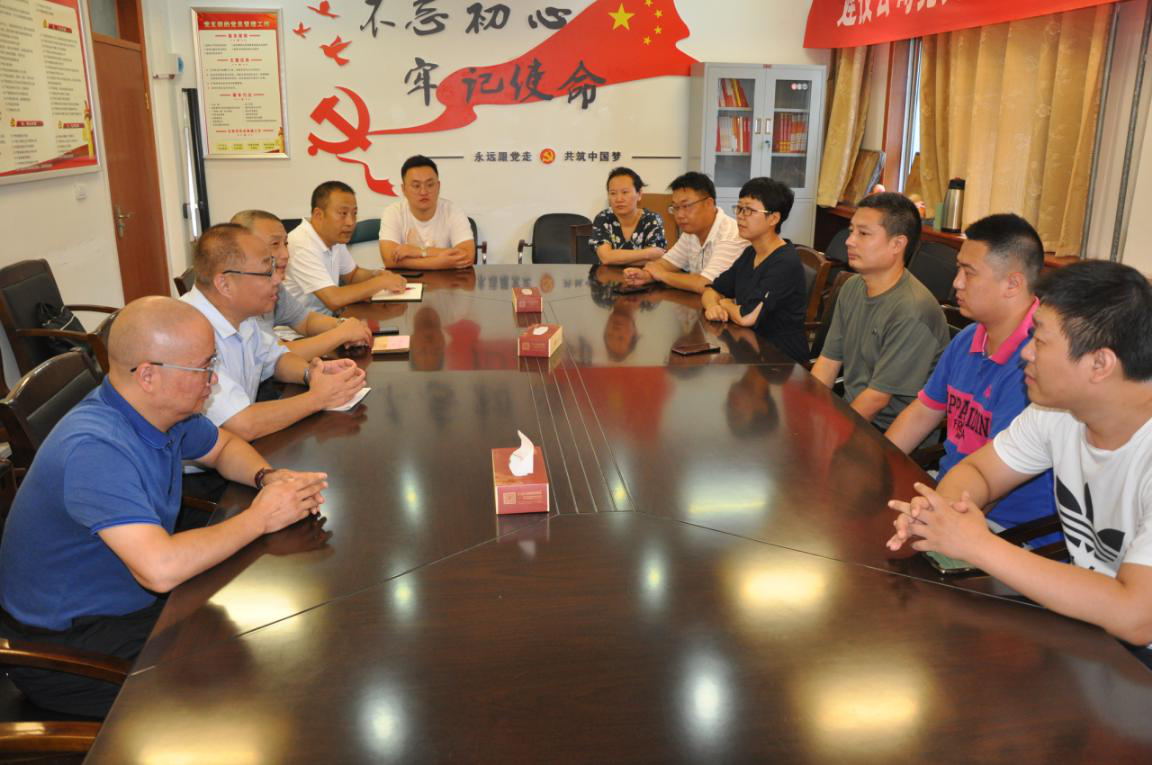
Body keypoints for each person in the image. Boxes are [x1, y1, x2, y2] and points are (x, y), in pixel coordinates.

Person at [0, 297, 329, 717]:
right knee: (267, 684)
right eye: (203, 368)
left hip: (129, 600)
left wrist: (267, 477)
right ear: (149, 375)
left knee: (274, 641)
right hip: (67, 647)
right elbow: (159, 569)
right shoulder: (95, 449)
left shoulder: (164, 412)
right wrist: (261, 517)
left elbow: (223, 446)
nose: (213, 379)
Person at [887, 261, 1152, 664]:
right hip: (1091, 631)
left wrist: (977, 544)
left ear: (1100, 364)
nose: (1025, 353)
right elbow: (979, 471)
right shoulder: (1058, 412)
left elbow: (1137, 617)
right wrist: (944, 514)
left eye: (1040, 341)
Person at [885, 213, 1055, 531]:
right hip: (946, 493)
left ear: (1012, 284)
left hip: (1002, 525)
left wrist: (935, 523)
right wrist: (878, 465)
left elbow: (994, 481)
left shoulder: (1038, 363)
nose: (957, 283)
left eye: (969, 272)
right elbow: (922, 413)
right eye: (958, 269)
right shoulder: (968, 338)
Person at [182, 224, 366, 441]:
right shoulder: (187, 334)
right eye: (266, 272)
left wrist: (313, 373)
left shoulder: (240, 313)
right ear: (225, 284)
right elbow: (241, 424)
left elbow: (276, 358)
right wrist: (318, 398)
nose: (278, 279)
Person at [810, 192, 949, 429]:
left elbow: (877, 400)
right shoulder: (852, 287)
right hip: (852, 411)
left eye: (863, 233)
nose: (849, 241)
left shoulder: (912, 309)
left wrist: (831, 435)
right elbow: (828, 361)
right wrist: (807, 412)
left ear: (897, 244)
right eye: (851, 231)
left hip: (890, 432)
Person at [231, 209, 373, 358]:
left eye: (285, 244)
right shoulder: (234, 297)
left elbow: (305, 320)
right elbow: (272, 356)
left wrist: (343, 325)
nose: (286, 254)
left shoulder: (273, 284)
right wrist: (340, 334)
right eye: (275, 244)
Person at [701, 177, 808, 364]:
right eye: (739, 208)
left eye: (749, 210)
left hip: (780, 361)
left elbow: (746, 317)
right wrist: (712, 306)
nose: (740, 216)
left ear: (774, 218)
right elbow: (711, 289)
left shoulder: (784, 262)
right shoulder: (751, 252)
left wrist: (724, 303)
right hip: (750, 348)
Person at [284, 181, 407, 315]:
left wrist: (376, 274)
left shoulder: (334, 237)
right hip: (300, 327)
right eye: (343, 213)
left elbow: (352, 275)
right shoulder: (302, 244)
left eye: (354, 213)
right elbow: (334, 299)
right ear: (318, 215)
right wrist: (380, 283)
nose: (351, 222)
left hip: (327, 319)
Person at [621, 171, 746, 294]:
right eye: (675, 207)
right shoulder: (691, 231)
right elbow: (666, 263)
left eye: (686, 206)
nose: (679, 215)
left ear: (709, 204)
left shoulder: (730, 236)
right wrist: (646, 275)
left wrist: (662, 275)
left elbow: (707, 284)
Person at [378, 155, 476, 270]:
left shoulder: (453, 211)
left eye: (430, 185)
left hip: (447, 280)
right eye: (416, 186)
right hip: (405, 280)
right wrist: (437, 263)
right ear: (404, 189)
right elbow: (389, 259)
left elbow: (467, 256)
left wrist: (419, 251)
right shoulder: (393, 212)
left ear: (438, 186)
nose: (423, 192)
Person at [591, 167, 667, 266]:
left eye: (625, 192)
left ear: (639, 194)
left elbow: (656, 259)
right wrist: (647, 253)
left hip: (643, 275)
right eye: (613, 193)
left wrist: (616, 258)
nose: (619, 199)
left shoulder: (652, 219)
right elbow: (606, 258)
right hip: (608, 276)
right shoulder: (603, 218)